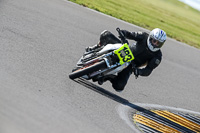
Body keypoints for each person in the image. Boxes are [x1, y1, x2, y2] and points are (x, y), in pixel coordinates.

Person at [86, 28, 167, 92]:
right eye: (154, 41)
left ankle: (108, 77)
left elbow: (148, 70)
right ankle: (97, 47)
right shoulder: (144, 36)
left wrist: (138, 71)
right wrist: (123, 34)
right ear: (150, 38)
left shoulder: (157, 56)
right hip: (126, 51)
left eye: (158, 43)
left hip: (131, 65)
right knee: (106, 34)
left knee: (119, 87)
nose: (155, 44)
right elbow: (130, 34)